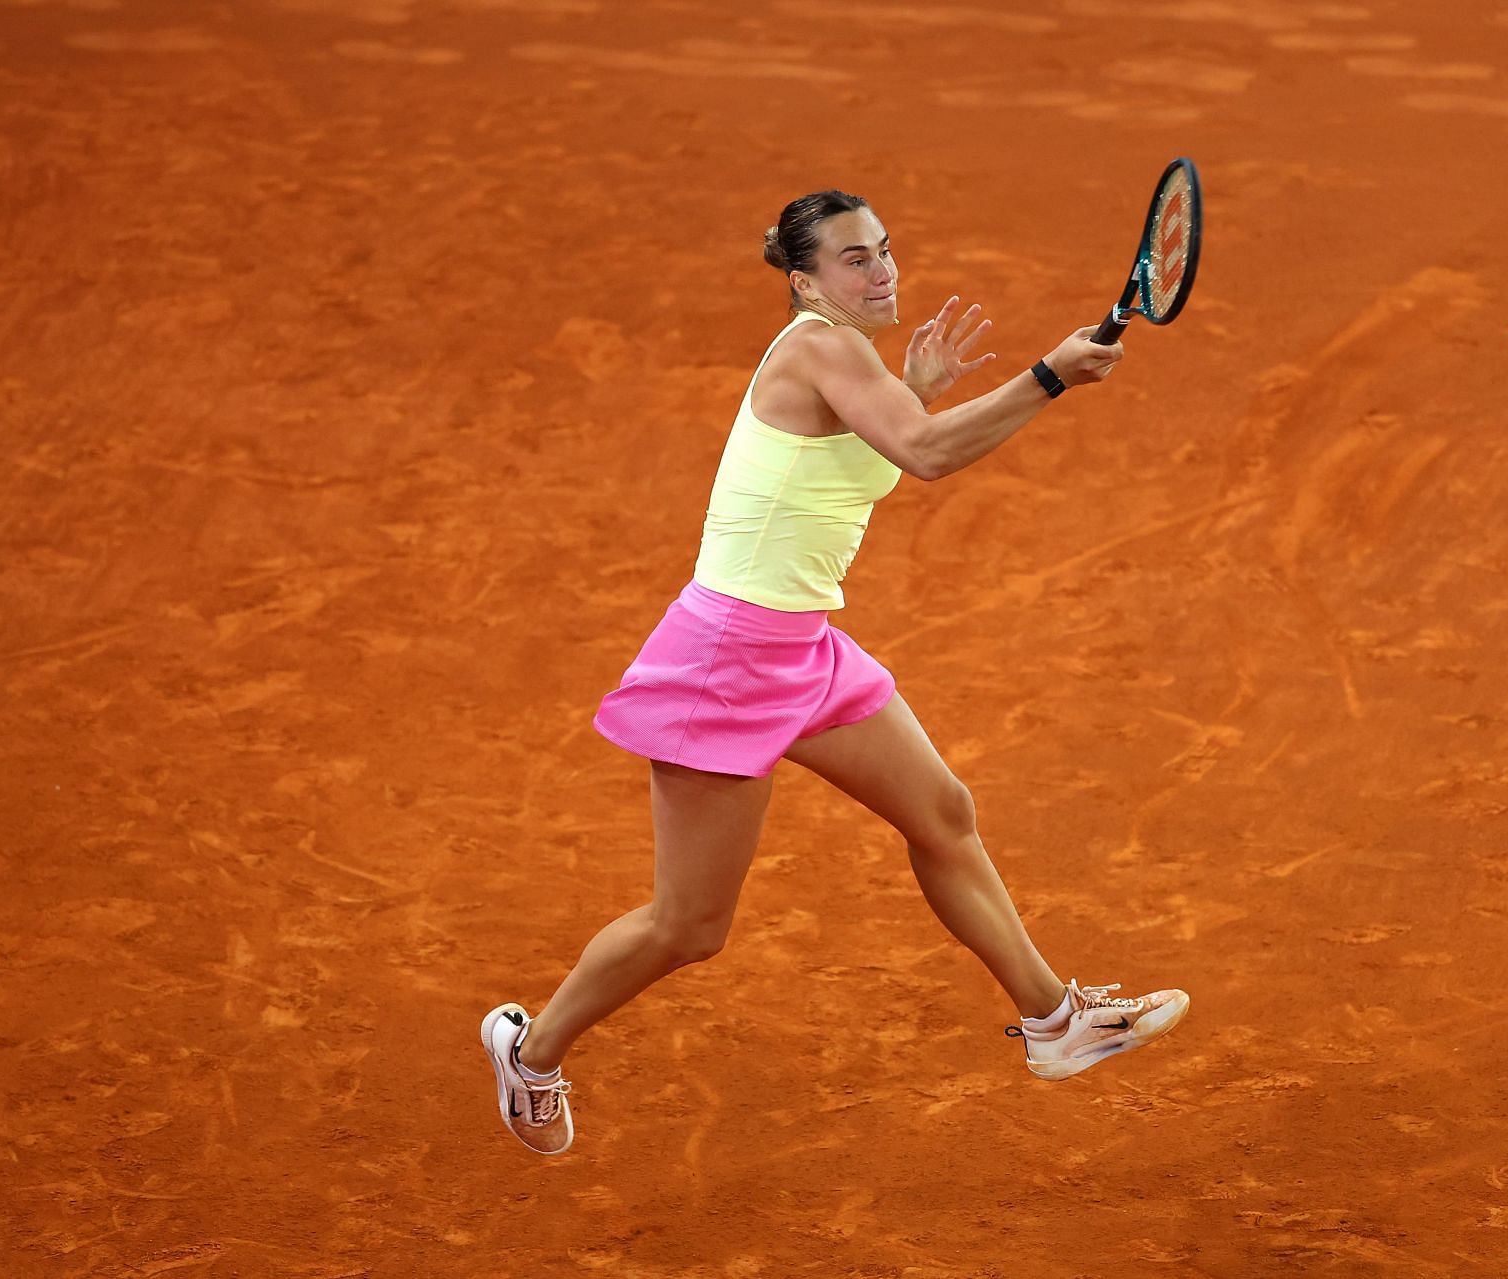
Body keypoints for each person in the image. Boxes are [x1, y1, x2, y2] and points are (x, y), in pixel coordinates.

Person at [481, 189, 1189, 1155]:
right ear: (805, 281)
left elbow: (887, 442)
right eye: (855, 259)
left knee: (942, 811)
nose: (883, 269)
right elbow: (927, 455)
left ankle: (1053, 1022)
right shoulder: (821, 344)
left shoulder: (844, 358)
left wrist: (922, 389)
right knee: (689, 927)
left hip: (801, 650)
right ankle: (532, 1049)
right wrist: (1049, 376)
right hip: (727, 659)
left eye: (886, 250)